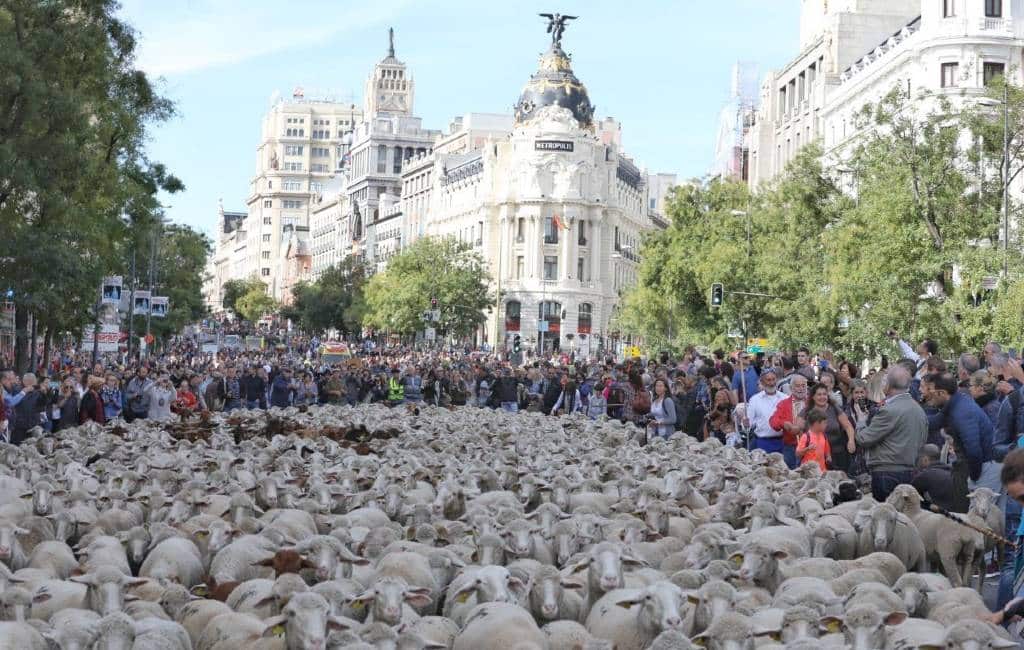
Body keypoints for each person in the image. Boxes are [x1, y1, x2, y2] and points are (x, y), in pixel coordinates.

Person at [921, 371, 995, 513]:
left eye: (930, 389)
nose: (927, 393)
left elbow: (973, 450)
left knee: (971, 516)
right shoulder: (955, 402)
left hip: (981, 467)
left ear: (941, 393)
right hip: (971, 465)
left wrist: (973, 479)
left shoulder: (962, 411)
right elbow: (934, 422)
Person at [855, 366, 928, 502]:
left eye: (884, 379)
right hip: (910, 472)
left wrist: (860, 421)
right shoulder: (918, 409)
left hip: (887, 473)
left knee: (885, 517)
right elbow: (922, 441)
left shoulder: (889, 410)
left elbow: (864, 438)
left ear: (888, 385)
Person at [807, 381, 857, 474]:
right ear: (813, 397)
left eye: (824, 394)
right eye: (819, 394)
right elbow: (799, 428)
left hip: (838, 453)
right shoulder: (807, 410)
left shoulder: (834, 408)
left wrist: (851, 440)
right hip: (816, 454)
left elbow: (848, 426)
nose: (822, 397)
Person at [769, 374, 810, 469]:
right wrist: (784, 424)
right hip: (791, 448)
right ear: (791, 388)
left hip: (810, 446)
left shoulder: (812, 402)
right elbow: (773, 421)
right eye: (798, 386)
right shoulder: (783, 404)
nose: (801, 388)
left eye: (803, 385)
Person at [746, 368, 785, 454]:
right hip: (762, 443)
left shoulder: (785, 398)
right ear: (762, 382)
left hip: (782, 442)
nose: (771, 383)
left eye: (773, 379)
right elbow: (748, 424)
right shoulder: (754, 400)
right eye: (768, 380)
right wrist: (745, 424)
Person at [910, 444, 956, 513]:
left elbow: (910, 496)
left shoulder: (925, 475)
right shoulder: (953, 472)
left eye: (919, 459)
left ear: (925, 459)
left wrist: (927, 505)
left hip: (937, 517)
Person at [11, 373, 43, 445]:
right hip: (19, 425)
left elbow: (43, 405)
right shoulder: (17, 390)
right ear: (26, 381)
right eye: (32, 381)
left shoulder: (38, 392)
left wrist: (44, 393)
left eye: (34, 381)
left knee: (32, 447)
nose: (35, 383)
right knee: (17, 446)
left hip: (33, 425)